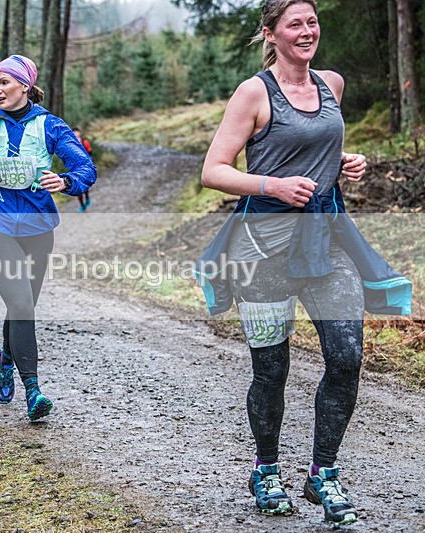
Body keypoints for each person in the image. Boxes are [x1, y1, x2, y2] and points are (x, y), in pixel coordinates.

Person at [195, 0, 411, 526]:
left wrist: (346, 162)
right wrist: (273, 185)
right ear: (271, 33)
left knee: (345, 356)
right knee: (271, 370)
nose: (308, 31)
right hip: (262, 249)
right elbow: (213, 170)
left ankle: (323, 473)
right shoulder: (253, 93)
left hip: (325, 244)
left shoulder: (331, 85)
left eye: (313, 21)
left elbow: (319, 151)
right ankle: (266, 471)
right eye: (295, 23)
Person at [0, 54, 96, 421]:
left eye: (4, 83)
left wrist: (67, 182)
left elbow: (84, 166)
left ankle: (5, 359)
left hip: (39, 228)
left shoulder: (50, 126)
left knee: (22, 305)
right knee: (23, 305)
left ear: (25, 86)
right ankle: (33, 391)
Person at [72, 128, 93, 212]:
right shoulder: (71, 144)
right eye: (74, 134)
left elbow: (90, 153)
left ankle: (87, 197)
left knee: (84, 184)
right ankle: (82, 205)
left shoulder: (85, 142)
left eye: (77, 134)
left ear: (80, 134)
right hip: (74, 168)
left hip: (84, 167)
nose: (76, 136)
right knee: (77, 185)